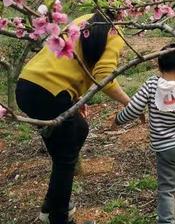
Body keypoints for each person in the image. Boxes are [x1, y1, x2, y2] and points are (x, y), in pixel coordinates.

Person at [15, 11, 131, 224]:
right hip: (49, 93)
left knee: (79, 130)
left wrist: (75, 96)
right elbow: (104, 75)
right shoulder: (115, 31)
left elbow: (72, 61)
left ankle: (51, 206)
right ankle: (59, 217)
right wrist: (129, 103)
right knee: (65, 159)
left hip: (28, 84)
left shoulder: (85, 20)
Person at [114, 44, 175, 224]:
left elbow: (133, 109)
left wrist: (118, 120)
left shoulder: (150, 85)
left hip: (164, 149)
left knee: (167, 188)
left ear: (158, 66)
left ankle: (166, 221)